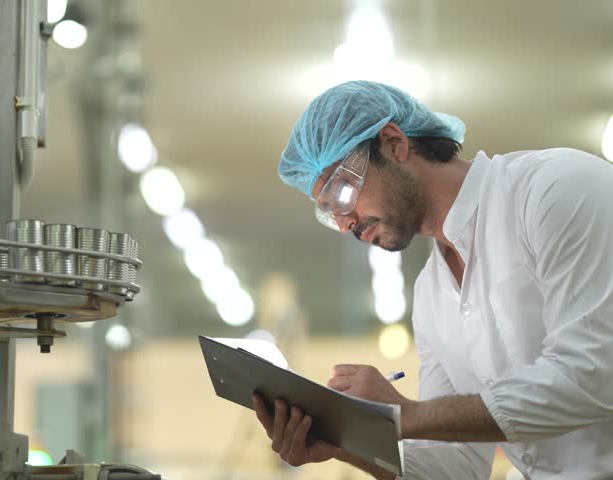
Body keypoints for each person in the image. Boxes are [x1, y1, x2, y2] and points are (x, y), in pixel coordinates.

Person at [252, 80, 613, 479]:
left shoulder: (555, 190)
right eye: (328, 211)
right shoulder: (431, 294)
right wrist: (348, 440)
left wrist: (407, 415)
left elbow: (594, 374)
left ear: (393, 143)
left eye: (341, 193)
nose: (344, 223)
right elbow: (454, 468)